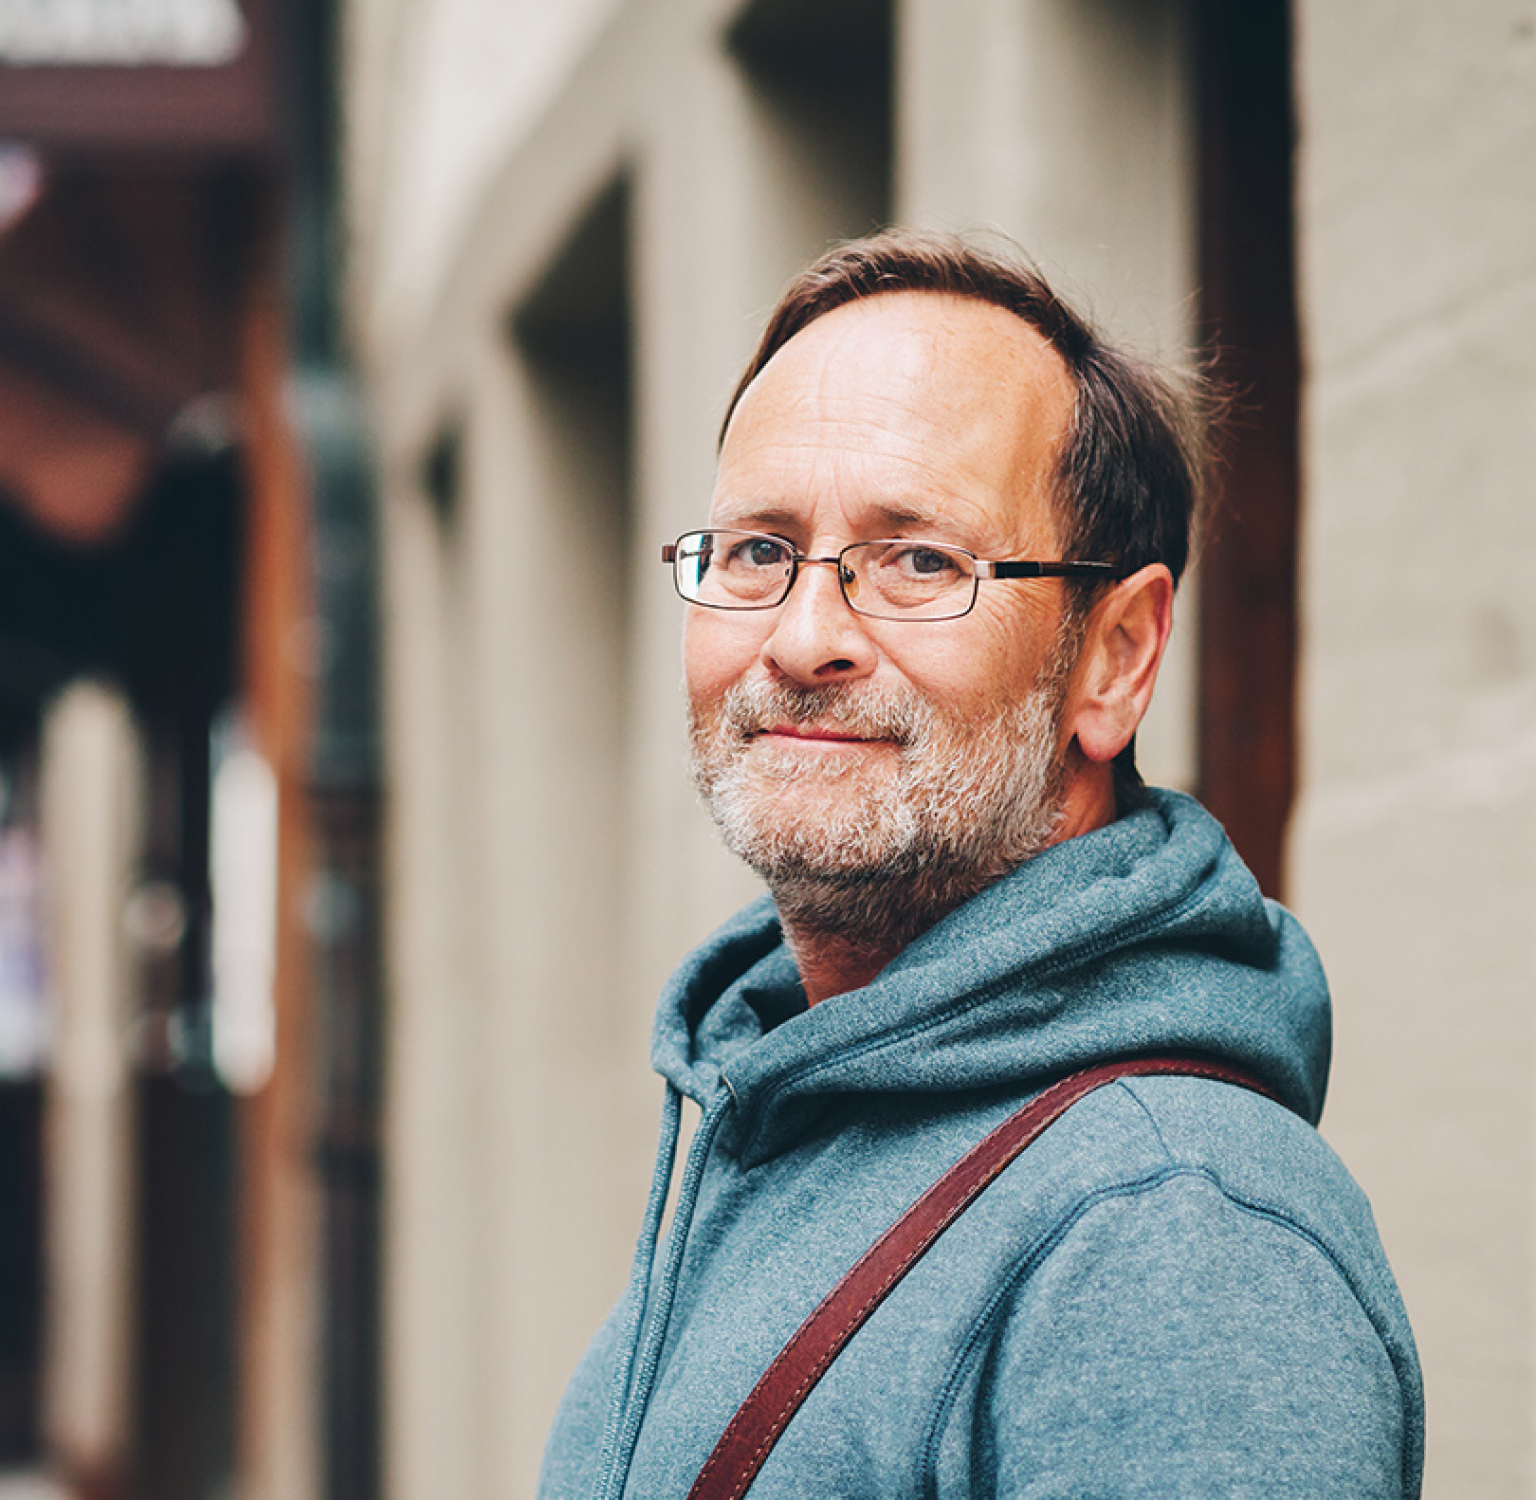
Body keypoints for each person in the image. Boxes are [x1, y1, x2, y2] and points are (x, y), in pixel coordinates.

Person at [538, 231, 1423, 1499]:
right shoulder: (760, 1110)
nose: (802, 637)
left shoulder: (1174, 1238)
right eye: (755, 551)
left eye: (918, 562)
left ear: (1113, 657)